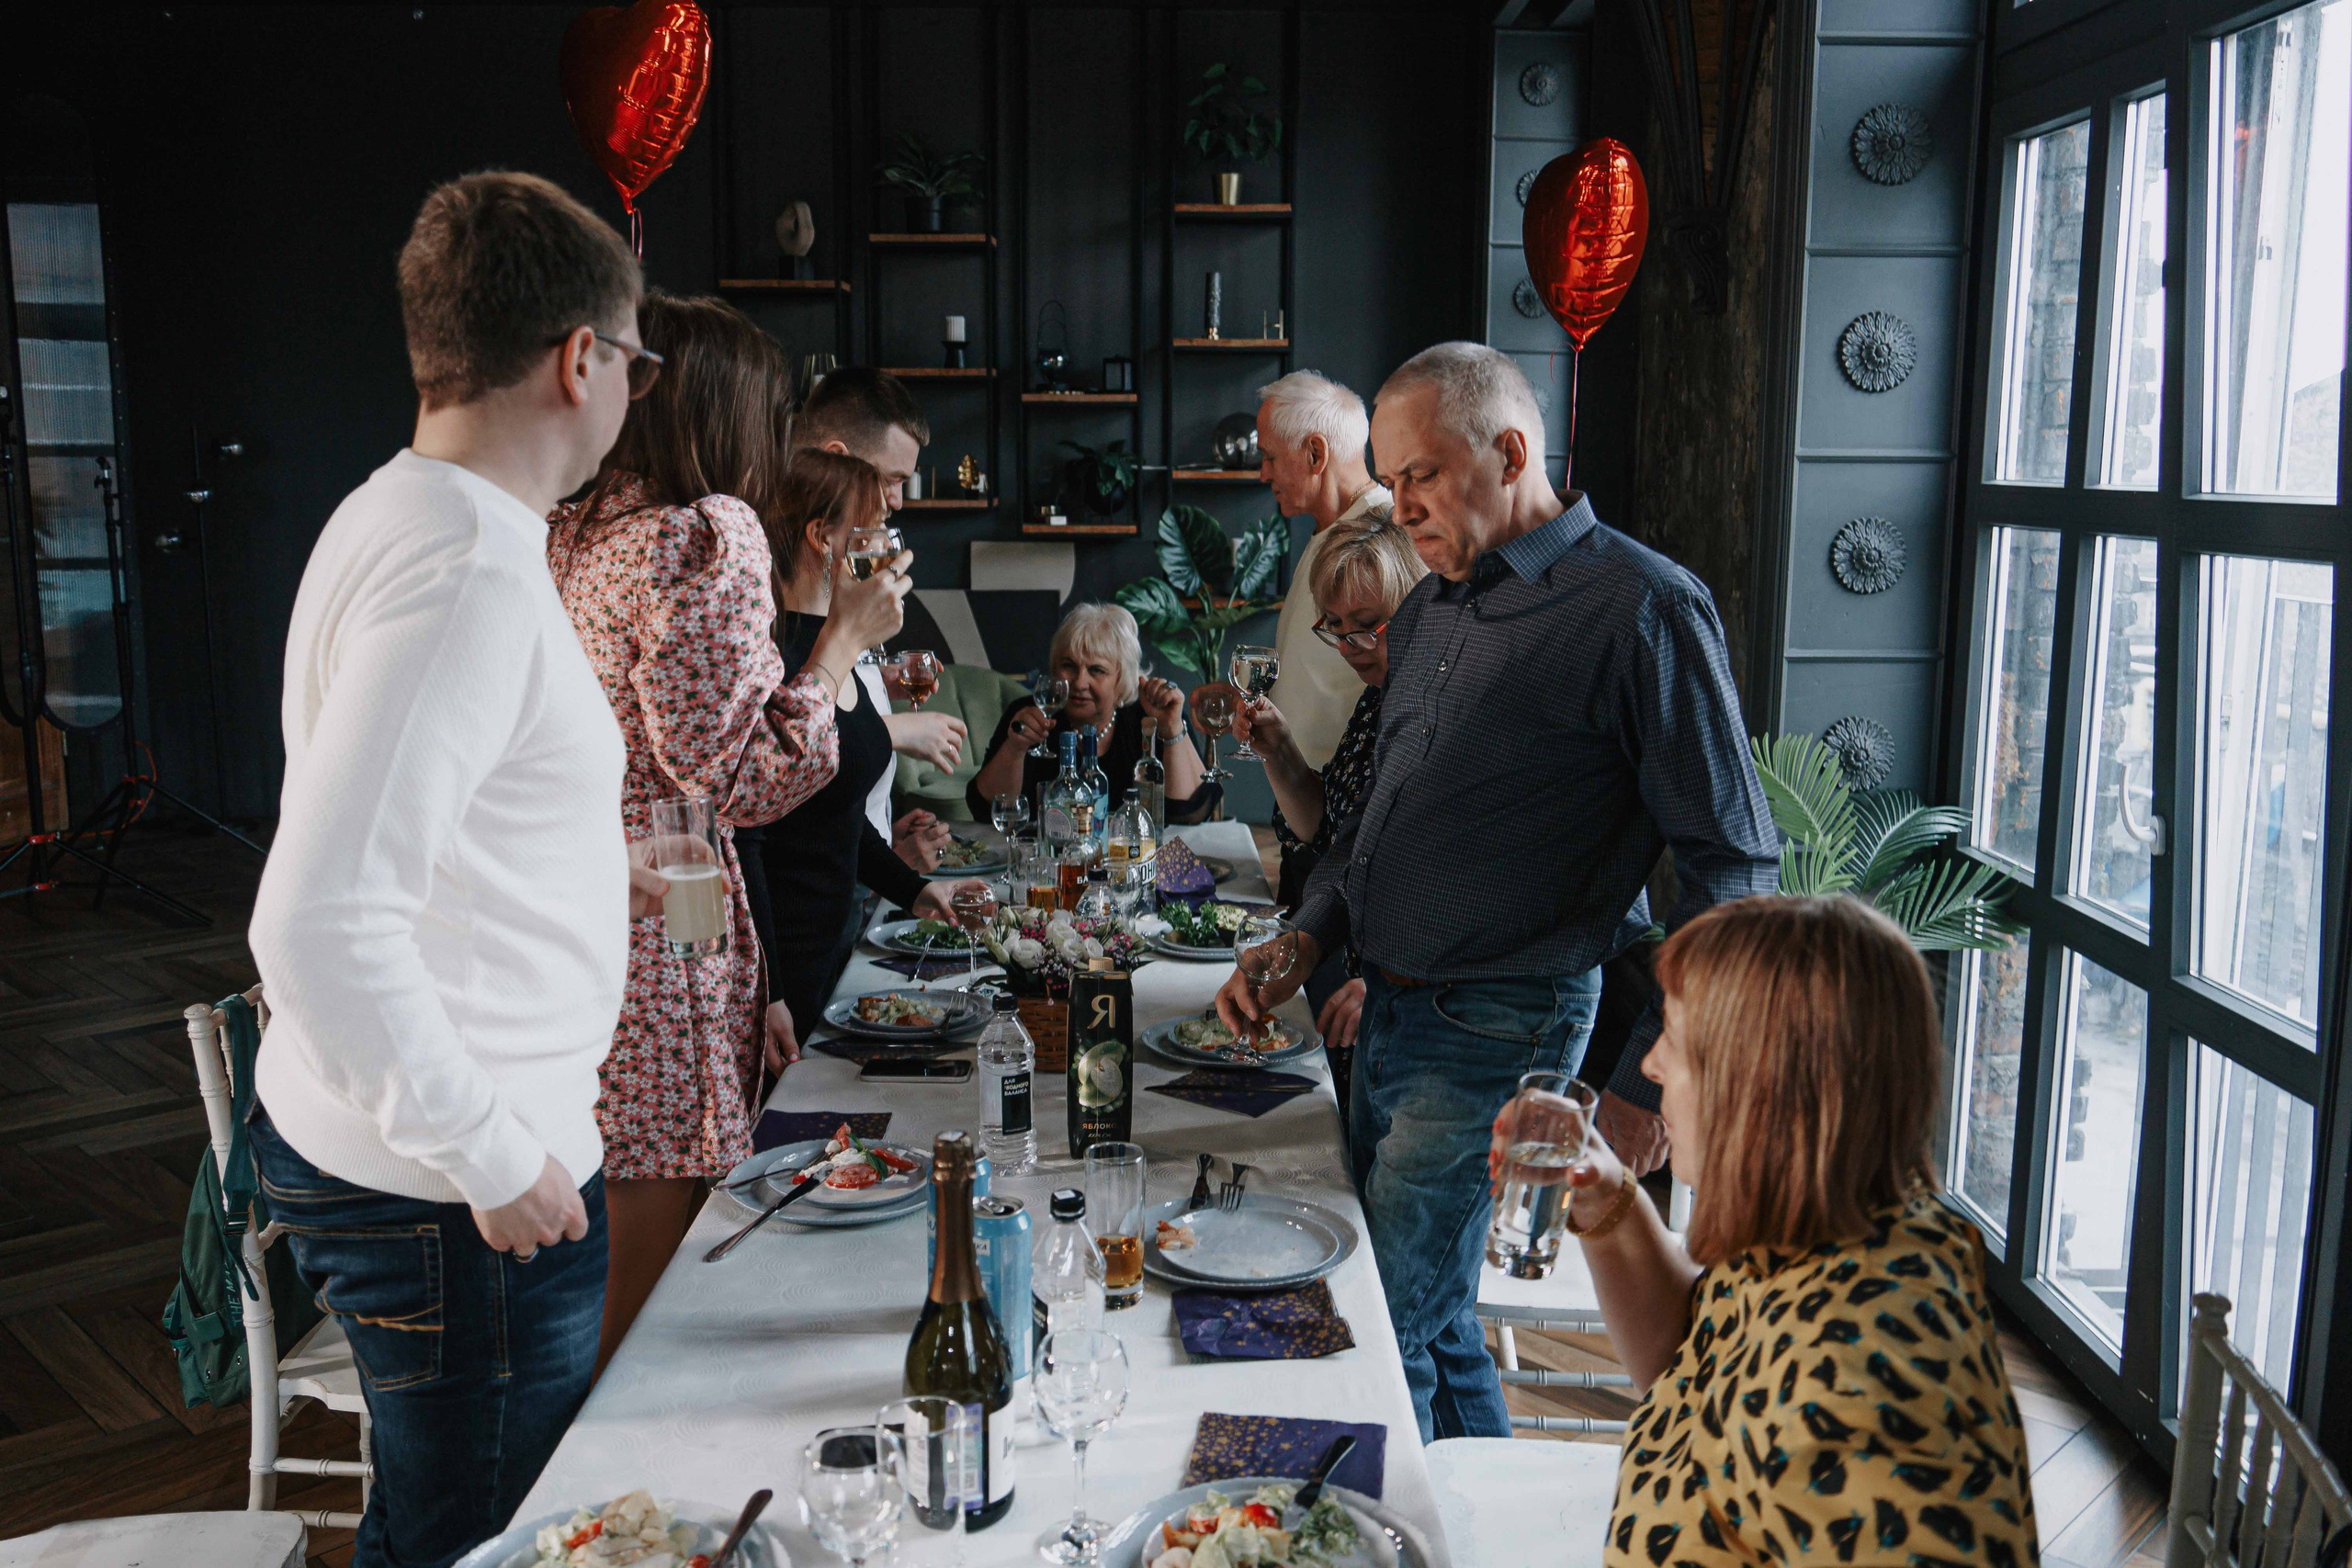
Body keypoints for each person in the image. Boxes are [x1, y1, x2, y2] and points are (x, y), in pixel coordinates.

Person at [1216, 341, 1780, 1440]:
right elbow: (1368, 827)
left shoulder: (1642, 608)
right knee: (1428, 1321)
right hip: (1391, 1008)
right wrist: (1306, 933)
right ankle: (1481, 1502)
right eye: (1388, 473)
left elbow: (1734, 870)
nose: (1396, 499)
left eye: (1417, 472)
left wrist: (1641, 1087)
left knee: (1374, 1317)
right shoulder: (1429, 608)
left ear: (1511, 450)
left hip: (1503, 1023)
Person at [247, 172, 665, 1568]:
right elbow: (313, 921)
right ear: (580, 358)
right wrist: (492, 1150)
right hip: (451, 1184)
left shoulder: (404, 512)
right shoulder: (466, 572)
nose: (633, 388)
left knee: (448, 1517)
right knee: (480, 1536)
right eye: (635, 356)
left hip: (421, 1151)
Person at [547, 293, 907, 1368]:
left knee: (599, 1288)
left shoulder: (575, 528)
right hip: (664, 943)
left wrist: (752, 988)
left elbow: (662, 780)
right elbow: (742, 781)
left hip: (592, 925)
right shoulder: (705, 536)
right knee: (657, 1318)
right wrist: (839, 645)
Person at [1490, 896, 2037, 1564]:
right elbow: (1694, 1362)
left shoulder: (1867, 1383)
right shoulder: (1824, 1225)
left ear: (1767, 1090)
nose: (1653, 1064)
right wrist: (1607, 1194)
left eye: (1677, 1040)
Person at [739, 448, 989, 1041]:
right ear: (822, 538)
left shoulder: (841, 654)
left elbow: (843, 817)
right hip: (785, 970)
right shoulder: (778, 658)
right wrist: (768, 989)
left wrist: (920, 891)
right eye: (873, 530)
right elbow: (746, 836)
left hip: (837, 951)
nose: (889, 546)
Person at [1227, 514, 1426, 1119]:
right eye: (1335, 627)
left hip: (1409, 988)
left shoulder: (1432, 701)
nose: (1350, 645)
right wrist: (1280, 753)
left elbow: (1435, 867)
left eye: (1368, 625)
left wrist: (1391, 982)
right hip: (1365, 970)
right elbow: (1330, 832)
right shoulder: (1379, 697)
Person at [789, 365, 964, 871]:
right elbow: (785, 758)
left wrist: (872, 677)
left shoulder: (842, 568)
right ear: (839, 460)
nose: (898, 502)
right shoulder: (778, 583)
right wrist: (894, 730)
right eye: (891, 480)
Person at [1256, 371, 1393, 783]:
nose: (1263, 474)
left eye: (1270, 457)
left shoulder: (1382, 536)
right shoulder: (1331, 527)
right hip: (1307, 800)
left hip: (1347, 810)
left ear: (1316, 453)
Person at [967, 602, 1216, 824]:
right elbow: (986, 809)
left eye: (1096, 670)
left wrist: (1172, 730)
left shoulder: (1150, 717)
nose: (1079, 682)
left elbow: (1191, 811)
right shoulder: (1027, 715)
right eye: (1068, 666)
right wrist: (1015, 748)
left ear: (1122, 677)